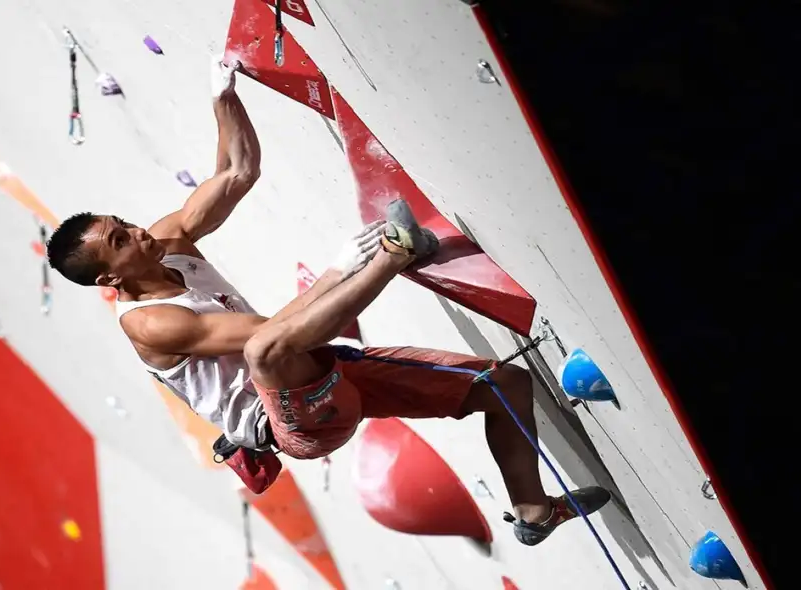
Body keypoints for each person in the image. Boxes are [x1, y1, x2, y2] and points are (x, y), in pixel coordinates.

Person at [46, 57, 610, 546]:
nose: (137, 232)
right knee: (268, 349)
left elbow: (236, 172)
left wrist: (224, 97)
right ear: (108, 279)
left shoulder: (165, 242)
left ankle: (535, 511)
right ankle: (394, 255)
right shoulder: (151, 324)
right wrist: (344, 267)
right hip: (293, 422)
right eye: (120, 241)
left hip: (319, 372)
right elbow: (277, 335)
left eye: (123, 223)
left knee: (504, 387)